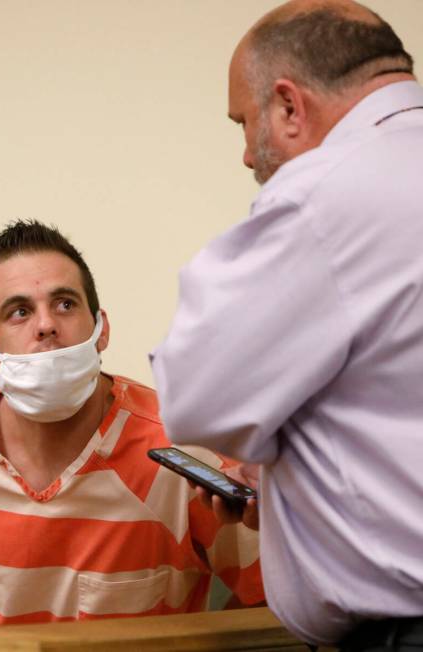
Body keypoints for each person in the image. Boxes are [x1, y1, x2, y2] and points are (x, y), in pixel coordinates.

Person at [150, 0, 423, 649]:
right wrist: (289, 476)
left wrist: (262, 445)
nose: (247, 154)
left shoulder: (324, 193)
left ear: (287, 106)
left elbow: (195, 395)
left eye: (243, 123)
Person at [0, 219, 264, 626]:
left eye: (65, 304)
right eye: (19, 312)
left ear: (101, 330)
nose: (46, 325)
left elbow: (270, 593)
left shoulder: (184, 449)